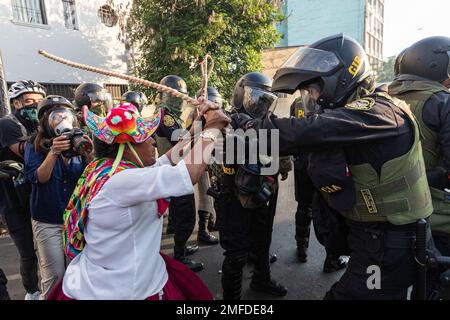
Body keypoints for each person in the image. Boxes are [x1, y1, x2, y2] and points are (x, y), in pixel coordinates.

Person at [232, 34, 434, 299]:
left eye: (314, 90)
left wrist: (247, 125)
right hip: (378, 238)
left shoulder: (376, 112)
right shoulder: (365, 112)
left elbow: (305, 132)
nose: (312, 98)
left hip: (388, 243)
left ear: (339, 79)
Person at [48, 99, 229, 300]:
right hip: (125, 288)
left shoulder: (105, 169)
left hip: (109, 276)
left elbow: (166, 161)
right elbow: (189, 173)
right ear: (126, 148)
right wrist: (213, 128)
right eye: (146, 138)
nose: (153, 142)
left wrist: (197, 127)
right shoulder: (123, 181)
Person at [213, 72, 287, 300]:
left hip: (264, 191)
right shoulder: (225, 122)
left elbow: (277, 149)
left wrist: (283, 161)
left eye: (265, 100)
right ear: (240, 95)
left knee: (263, 241)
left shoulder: (268, 122)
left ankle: (261, 280)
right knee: (236, 254)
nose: (260, 104)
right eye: (256, 98)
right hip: (234, 195)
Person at [388, 36, 450, 298]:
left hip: (389, 214)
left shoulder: (384, 97)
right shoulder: (442, 102)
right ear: (437, 65)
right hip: (437, 218)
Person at [24, 95, 91, 299]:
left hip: (75, 219)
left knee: (77, 273)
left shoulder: (79, 139)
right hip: (48, 219)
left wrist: (89, 151)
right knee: (54, 275)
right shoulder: (34, 145)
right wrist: (53, 152)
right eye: (55, 115)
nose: (61, 120)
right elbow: (39, 178)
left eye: (65, 114)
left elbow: (93, 173)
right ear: (45, 121)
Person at [290, 97, 348, 272]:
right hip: (322, 163)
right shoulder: (331, 101)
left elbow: (293, 130)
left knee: (304, 206)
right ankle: (332, 258)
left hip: (302, 161)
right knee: (328, 211)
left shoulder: (297, 103)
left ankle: (302, 248)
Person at [0, 80, 44, 300]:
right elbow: (25, 150)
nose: (35, 106)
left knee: (50, 248)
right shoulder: (8, 124)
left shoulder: (41, 125)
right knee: (28, 252)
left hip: (37, 195)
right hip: (13, 200)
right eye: (29, 101)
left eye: (39, 102)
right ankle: (32, 291)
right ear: (16, 103)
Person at [155, 75, 203, 271]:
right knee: (186, 215)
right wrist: (199, 123)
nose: (181, 101)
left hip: (173, 169)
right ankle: (180, 256)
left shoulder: (169, 115)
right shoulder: (165, 116)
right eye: (178, 97)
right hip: (175, 171)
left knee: (178, 214)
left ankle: (180, 247)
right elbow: (181, 139)